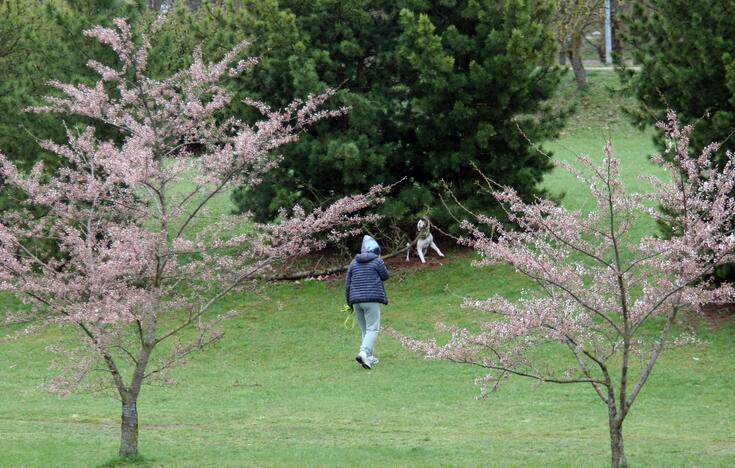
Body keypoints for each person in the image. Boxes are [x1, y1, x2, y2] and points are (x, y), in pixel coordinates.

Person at [345, 235, 389, 369]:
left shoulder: (353, 263)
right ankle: (364, 352)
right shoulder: (377, 261)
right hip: (371, 299)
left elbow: (347, 284)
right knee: (373, 328)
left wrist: (349, 303)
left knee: (365, 330)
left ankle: (368, 357)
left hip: (356, 301)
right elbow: (386, 276)